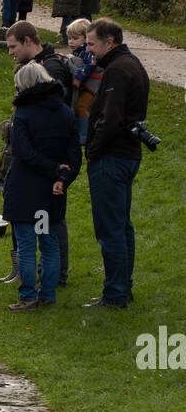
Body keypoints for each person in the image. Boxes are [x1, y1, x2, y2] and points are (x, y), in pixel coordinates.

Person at [82, 18, 150, 309]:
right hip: (127, 154)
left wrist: (93, 151)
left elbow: (110, 120)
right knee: (122, 226)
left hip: (112, 157)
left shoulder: (117, 71)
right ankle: (124, 286)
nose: (89, 50)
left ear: (110, 42)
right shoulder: (132, 64)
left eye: (92, 44)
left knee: (110, 228)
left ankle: (115, 294)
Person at [2, 61, 81, 312]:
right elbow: (73, 156)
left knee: (27, 245)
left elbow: (22, 151)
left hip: (25, 189)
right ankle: (48, 294)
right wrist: (61, 178)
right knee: (49, 244)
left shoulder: (23, 113)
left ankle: (28, 296)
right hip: (51, 192)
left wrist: (53, 170)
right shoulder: (66, 112)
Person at [5, 21, 72, 283]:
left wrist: (56, 169)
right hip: (47, 164)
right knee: (46, 227)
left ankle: (49, 278)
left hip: (43, 164)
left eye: (13, 46)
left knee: (48, 229)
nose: (10, 52)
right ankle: (44, 280)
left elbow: (53, 123)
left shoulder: (50, 67)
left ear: (28, 41)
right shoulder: (38, 67)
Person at [65, 17, 102, 145]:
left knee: (81, 106)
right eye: (69, 38)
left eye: (75, 39)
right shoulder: (79, 51)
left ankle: (84, 135)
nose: (71, 42)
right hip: (88, 86)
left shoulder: (88, 52)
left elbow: (89, 66)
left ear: (86, 38)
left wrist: (78, 79)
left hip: (94, 86)